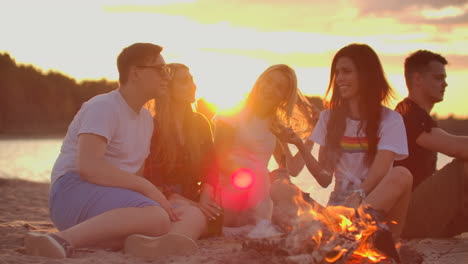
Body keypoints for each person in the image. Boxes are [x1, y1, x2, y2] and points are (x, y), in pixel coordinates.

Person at [24, 43, 199, 259]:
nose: (167, 77)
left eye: (168, 71)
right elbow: (88, 167)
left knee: (189, 212)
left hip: (110, 199)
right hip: (72, 192)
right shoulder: (103, 106)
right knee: (157, 217)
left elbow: (134, 175)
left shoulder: (145, 120)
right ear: (135, 73)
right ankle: (60, 240)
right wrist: (149, 190)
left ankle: (156, 245)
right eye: (161, 70)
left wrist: (167, 199)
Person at [286, 43, 413, 240]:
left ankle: (357, 233)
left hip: (375, 204)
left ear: (366, 75)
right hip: (340, 208)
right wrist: (300, 145)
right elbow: (324, 178)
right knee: (281, 189)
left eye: (346, 71)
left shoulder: (391, 120)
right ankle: (346, 235)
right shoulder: (328, 118)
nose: (339, 79)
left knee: (402, 174)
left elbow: (382, 167)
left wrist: (360, 194)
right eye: (337, 72)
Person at [213, 64, 315, 228]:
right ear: (259, 82)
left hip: (260, 190)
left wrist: (310, 139)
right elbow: (221, 160)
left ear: (284, 96)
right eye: (268, 82)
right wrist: (258, 177)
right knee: (279, 192)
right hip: (231, 188)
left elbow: (293, 169)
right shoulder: (230, 114)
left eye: (279, 87)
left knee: (289, 192)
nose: (270, 89)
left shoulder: (273, 125)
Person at [395, 50, 468, 238]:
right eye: (438, 78)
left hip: (419, 213)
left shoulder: (411, 113)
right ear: (418, 79)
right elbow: (458, 147)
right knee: (464, 166)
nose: (445, 84)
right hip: (406, 219)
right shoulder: (410, 115)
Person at [144, 63, 221, 237]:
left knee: (218, 212)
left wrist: (206, 195)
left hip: (193, 197)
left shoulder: (200, 123)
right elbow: (151, 179)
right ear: (168, 89)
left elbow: (211, 165)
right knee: (196, 215)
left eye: (192, 79)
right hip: (163, 199)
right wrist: (194, 205)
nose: (193, 85)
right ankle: (168, 241)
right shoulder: (153, 127)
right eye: (184, 81)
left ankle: (169, 238)